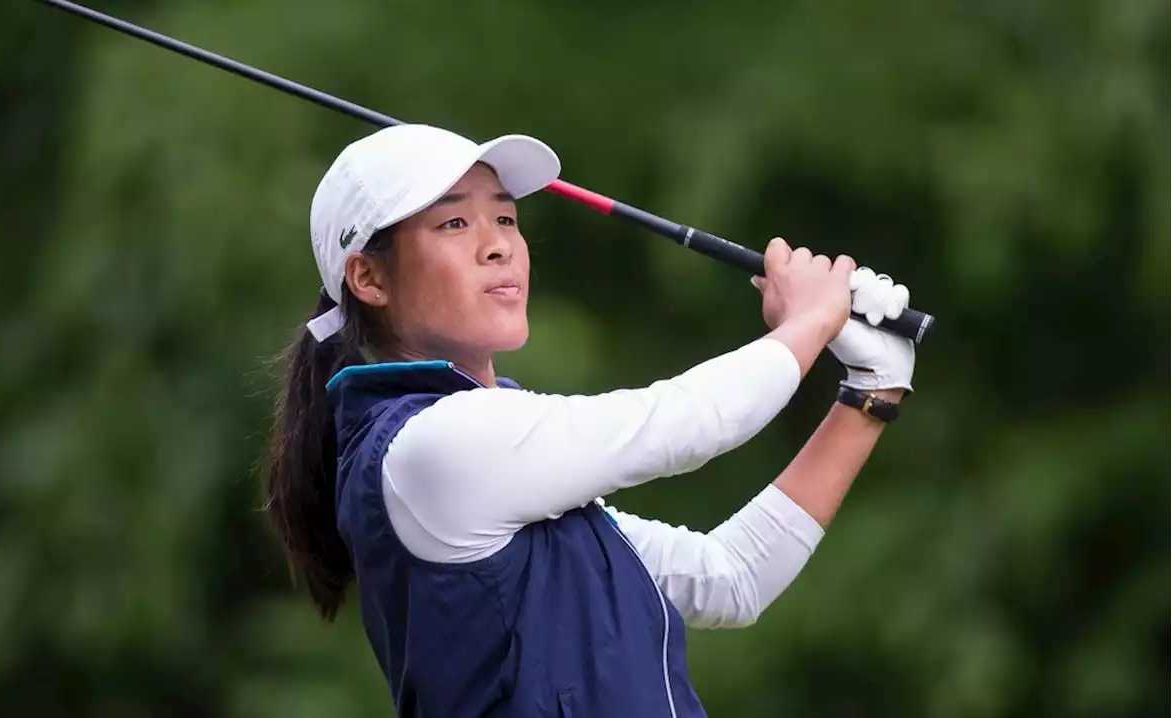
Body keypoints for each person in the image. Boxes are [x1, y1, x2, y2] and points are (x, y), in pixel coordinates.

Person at [263, 124, 916, 718]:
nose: (498, 247)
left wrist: (870, 393)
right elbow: (686, 422)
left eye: (506, 218)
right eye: (454, 225)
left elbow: (730, 578)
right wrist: (810, 322)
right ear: (368, 277)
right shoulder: (432, 448)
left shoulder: (513, 475)